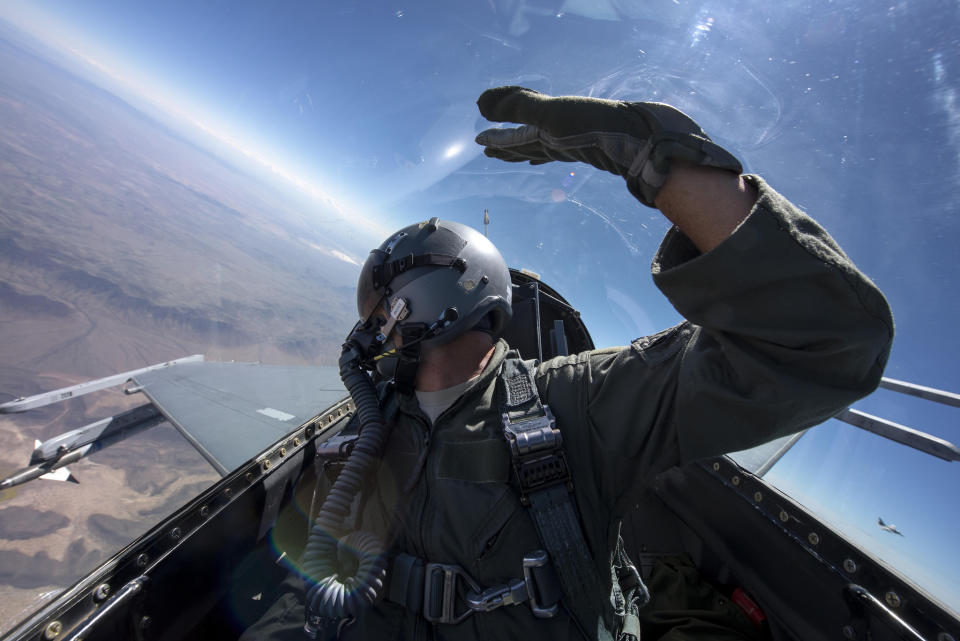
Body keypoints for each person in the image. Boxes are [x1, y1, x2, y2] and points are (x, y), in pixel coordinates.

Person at [241, 87, 893, 641]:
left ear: (461, 290)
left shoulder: (575, 402)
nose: (378, 316)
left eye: (395, 294)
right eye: (378, 300)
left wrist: (660, 159)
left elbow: (826, 339)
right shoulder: (372, 424)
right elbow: (313, 570)